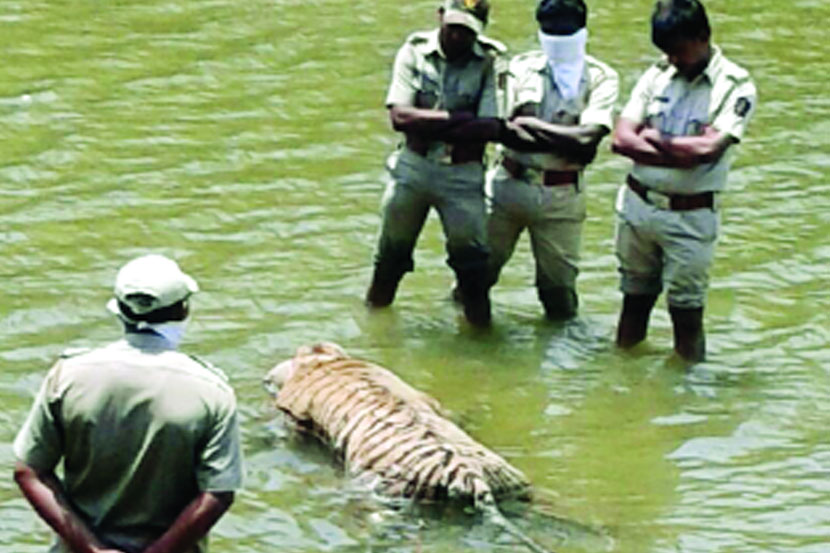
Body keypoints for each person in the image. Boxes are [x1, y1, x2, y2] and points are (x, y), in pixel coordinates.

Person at [13, 254, 243, 553]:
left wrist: (92, 549)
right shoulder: (212, 391)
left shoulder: (68, 376)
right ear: (183, 310)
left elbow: (29, 472)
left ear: (119, 311)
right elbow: (218, 492)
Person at [611, 0, 757, 361]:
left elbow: (708, 151)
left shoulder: (735, 87)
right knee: (633, 303)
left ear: (703, 37)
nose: (673, 59)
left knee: (687, 316)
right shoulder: (656, 74)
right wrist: (679, 150)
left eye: (679, 51)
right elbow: (620, 139)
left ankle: (690, 400)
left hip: (690, 217)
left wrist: (652, 139)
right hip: (638, 207)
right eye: (667, 52)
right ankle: (624, 381)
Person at [364, 0, 518, 327]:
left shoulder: (491, 61)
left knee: (473, 270)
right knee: (389, 259)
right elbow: (399, 116)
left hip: (462, 176)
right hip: (412, 168)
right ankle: (375, 330)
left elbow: (491, 126)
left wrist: (429, 122)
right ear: (440, 18)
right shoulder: (414, 51)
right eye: (453, 28)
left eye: (466, 31)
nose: (458, 37)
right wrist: (460, 119)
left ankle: (480, 344)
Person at [484, 0, 618, 320]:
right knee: (475, 277)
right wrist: (565, 136)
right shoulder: (520, 68)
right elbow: (504, 131)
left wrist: (531, 125)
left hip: (562, 195)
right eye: (550, 31)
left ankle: (562, 365)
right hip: (507, 184)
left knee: (559, 295)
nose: (557, 39)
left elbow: (587, 143)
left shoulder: (601, 77)